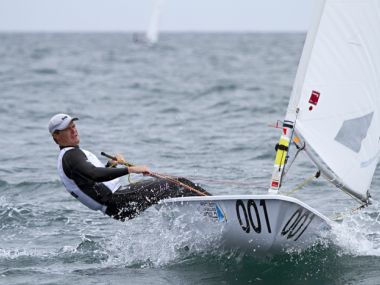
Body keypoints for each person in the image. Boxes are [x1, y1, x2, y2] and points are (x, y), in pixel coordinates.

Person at [48, 113, 210, 221]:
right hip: (118, 200)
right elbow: (94, 174)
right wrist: (130, 169)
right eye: (67, 129)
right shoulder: (71, 156)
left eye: (73, 126)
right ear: (56, 135)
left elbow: (91, 180)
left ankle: (201, 218)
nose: (73, 131)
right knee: (175, 183)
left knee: (171, 188)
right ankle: (218, 211)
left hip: (115, 205)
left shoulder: (70, 157)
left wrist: (111, 165)